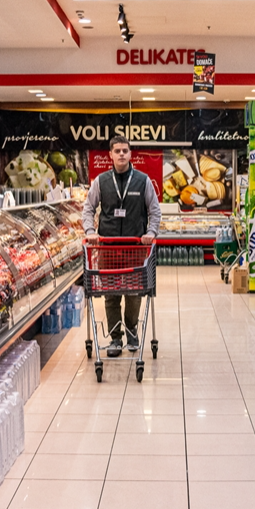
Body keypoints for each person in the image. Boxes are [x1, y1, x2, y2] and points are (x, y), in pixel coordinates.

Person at [82, 135, 161, 357]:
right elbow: (88, 208)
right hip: (107, 248)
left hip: (136, 248)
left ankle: (131, 328)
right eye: (117, 151)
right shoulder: (101, 181)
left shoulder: (143, 181)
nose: (121, 154)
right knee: (111, 294)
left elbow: (154, 210)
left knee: (135, 292)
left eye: (125, 150)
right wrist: (90, 232)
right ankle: (116, 338)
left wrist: (150, 233)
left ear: (130, 153)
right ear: (110, 154)